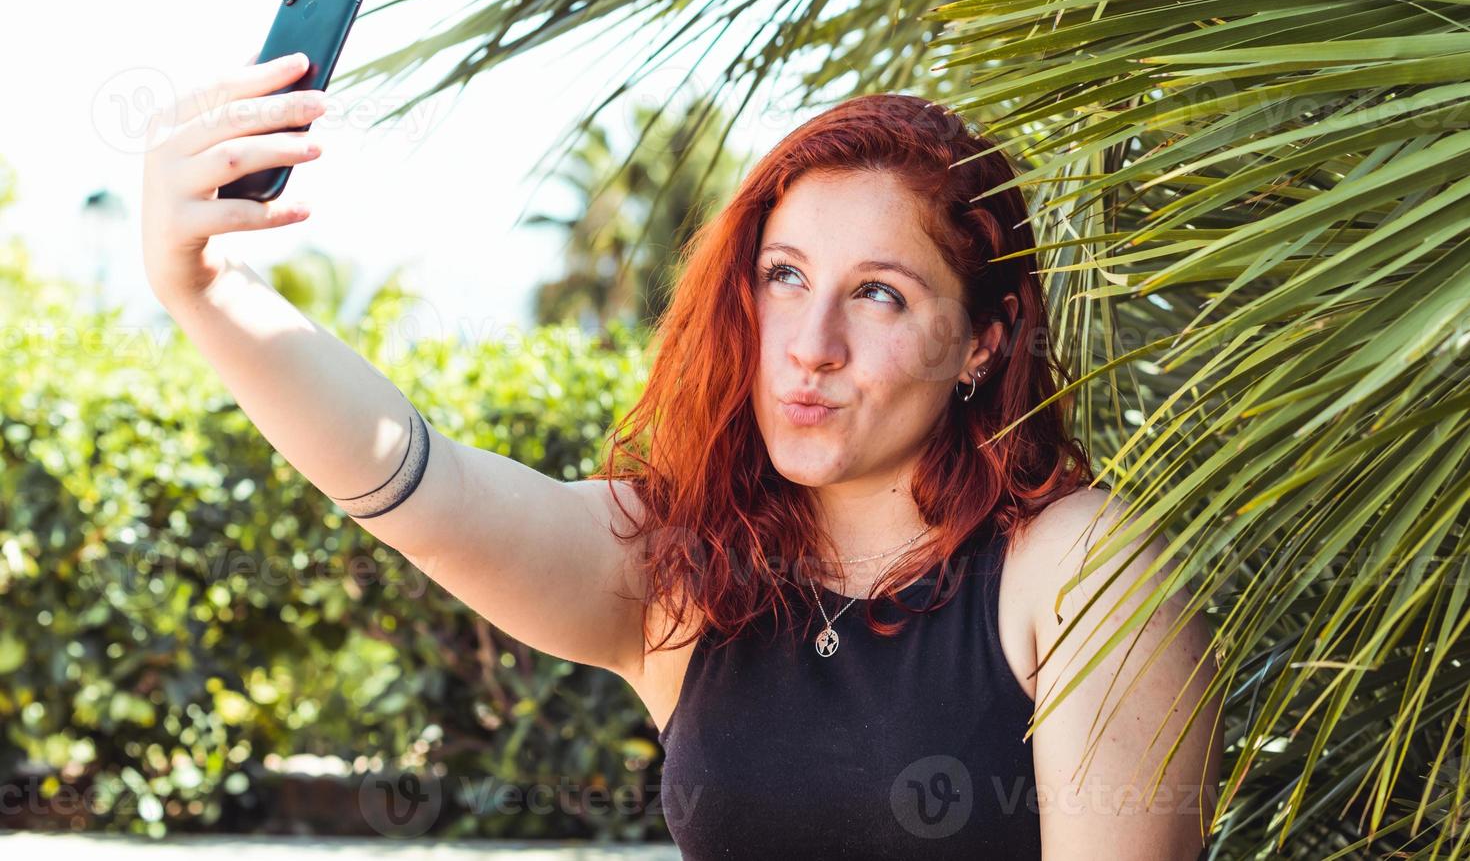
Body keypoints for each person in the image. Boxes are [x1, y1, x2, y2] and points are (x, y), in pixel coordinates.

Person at [140, 53, 1223, 859]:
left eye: (879, 293)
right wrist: (204, 285)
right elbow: (418, 477)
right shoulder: (685, 575)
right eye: (786, 275)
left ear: (984, 341)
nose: (811, 344)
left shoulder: (1076, 566)